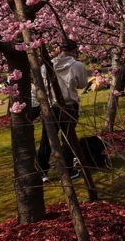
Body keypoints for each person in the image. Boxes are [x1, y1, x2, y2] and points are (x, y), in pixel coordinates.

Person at [37, 40, 88, 182]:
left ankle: (42, 171)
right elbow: (82, 84)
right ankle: (67, 171)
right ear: (74, 50)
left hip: (51, 106)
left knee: (47, 139)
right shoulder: (77, 65)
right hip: (69, 105)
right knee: (68, 137)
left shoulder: (46, 65)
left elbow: (41, 85)